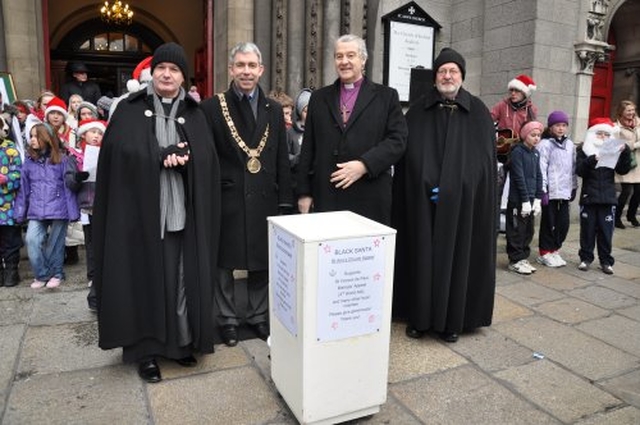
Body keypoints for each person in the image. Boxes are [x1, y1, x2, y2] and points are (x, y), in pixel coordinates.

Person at [93, 42, 221, 383]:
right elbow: (118, 155)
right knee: (145, 280)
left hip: (181, 214)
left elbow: (208, 160)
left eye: (175, 69)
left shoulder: (195, 114)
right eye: (161, 67)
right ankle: (145, 352)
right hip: (140, 217)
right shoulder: (129, 110)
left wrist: (187, 159)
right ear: (152, 72)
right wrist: (157, 155)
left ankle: (179, 346)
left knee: (180, 280)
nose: (167, 74)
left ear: (183, 76)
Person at [392, 48, 497, 343]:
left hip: (463, 205)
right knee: (420, 255)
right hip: (422, 202)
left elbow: (483, 165)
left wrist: (454, 187)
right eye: (442, 71)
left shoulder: (478, 113)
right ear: (435, 77)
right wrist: (424, 184)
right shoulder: (418, 112)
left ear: (462, 76)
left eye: (453, 71)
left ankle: (454, 319)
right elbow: (408, 157)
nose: (447, 76)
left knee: (457, 258)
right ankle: (419, 318)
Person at [200, 41, 292, 347]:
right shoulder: (212, 107)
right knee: (223, 264)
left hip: (265, 197)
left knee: (261, 262)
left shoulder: (274, 109)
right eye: (240, 65)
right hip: (226, 198)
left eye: (252, 66)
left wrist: (285, 201)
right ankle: (226, 320)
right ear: (231, 69)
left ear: (261, 70)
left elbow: (280, 157)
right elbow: (207, 157)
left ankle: (257, 316)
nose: (246, 71)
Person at [296, 34, 407, 225]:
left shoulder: (386, 96)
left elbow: (398, 141)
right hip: (328, 195)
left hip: (370, 195)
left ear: (363, 59)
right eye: (339, 56)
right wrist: (304, 193)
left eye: (351, 55)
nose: (344, 61)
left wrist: (365, 165)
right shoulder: (319, 98)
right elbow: (308, 148)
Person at [13, 123, 79, 289]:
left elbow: (68, 188)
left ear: (46, 138)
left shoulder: (63, 159)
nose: (32, 140)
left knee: (54, 245)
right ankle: (42, 275)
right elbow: (24, 188)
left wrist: (72, 211)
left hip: (59, 207)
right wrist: (20, 212)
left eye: (36, 136)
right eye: (31, 136)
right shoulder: (29, 161)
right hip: (36, 207)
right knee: (31, 240)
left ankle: (57, 274)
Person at [576, 118, 632, 274]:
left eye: (606, 134)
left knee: (606, 232)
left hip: (608, 197)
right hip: (589, 196)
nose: (602, 137)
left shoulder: (613, 151)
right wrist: (592, 159)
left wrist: (625, 151)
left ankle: (606, 261)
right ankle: (585, 258)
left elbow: (623, 170)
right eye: (598, 133)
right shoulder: (583, 150)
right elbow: (580, 170)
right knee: (587, 231)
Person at [67, 118, 107, 310]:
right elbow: (69, 183)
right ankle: (92, 276)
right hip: (87, 205)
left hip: (105, 204)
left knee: (103, 243)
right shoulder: (74, 157)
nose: (96, 136)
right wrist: (77, 177)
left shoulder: (107, 154)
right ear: (83, 134)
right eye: (92, 132)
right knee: (90, 244)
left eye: (99, 133)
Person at [536, 110, 577, 268]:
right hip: (551, 192)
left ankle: (555, 249)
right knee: (549, 223)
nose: (561, 128)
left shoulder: (570, 145)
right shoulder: (545, 145)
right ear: (551, 127)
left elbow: (572, 168)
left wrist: (573, 186)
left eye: (564, 125)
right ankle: (545, 252)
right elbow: (541, 168)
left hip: (564, 192)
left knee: (563, 224)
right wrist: (543, 190)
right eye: (557, 125)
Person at [505, 121, 544, 275]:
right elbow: (519, 177)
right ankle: (514, 260)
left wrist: (538, 199)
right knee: (516, 229)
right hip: (518, 200)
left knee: (528, 230)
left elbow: (539, 175)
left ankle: (522, 257)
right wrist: (525, 200)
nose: (536, 138)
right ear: (524, 135)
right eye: (533, 135)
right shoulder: (517, 152)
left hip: (531, 199)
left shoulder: (535, 153)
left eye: (539, 135)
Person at [0, 114, 22, 287]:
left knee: (11, 241)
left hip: (8, 204)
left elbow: (19, 173)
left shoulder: (11, 149)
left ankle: (12, 271)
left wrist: (6, 178)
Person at [613, 100, 640, 228]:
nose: (631, 113)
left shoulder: (638, 123)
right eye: (628, 110)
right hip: (626, 163)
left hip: (638, 163)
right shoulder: (616, 127)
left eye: (633, 110)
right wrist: (635, 145)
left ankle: (631, 215)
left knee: (638, 191)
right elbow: (620, 145)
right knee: (626, 192)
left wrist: (637, 128)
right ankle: (617, 217)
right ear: (621, 112)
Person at [286, 88, 312, 212]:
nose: (309, 114)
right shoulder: (290, 132)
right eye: (306, 111)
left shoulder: (319, 131)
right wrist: (299, 157)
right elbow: (285, 157)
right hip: (294, 184)